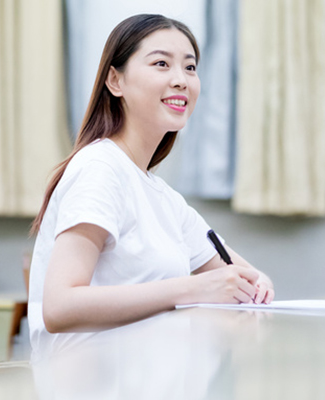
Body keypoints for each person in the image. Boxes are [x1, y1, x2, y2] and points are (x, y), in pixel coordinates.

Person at [27, 14, 274, 362]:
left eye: (190, 68)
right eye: (161, 64)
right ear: (115, 80)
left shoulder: (163, 197)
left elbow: (247, 277)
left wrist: (257, 284)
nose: (181, 81)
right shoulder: (99, 169)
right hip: (87, 384)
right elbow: (59, 307)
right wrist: (193, 289)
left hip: (147, 374)